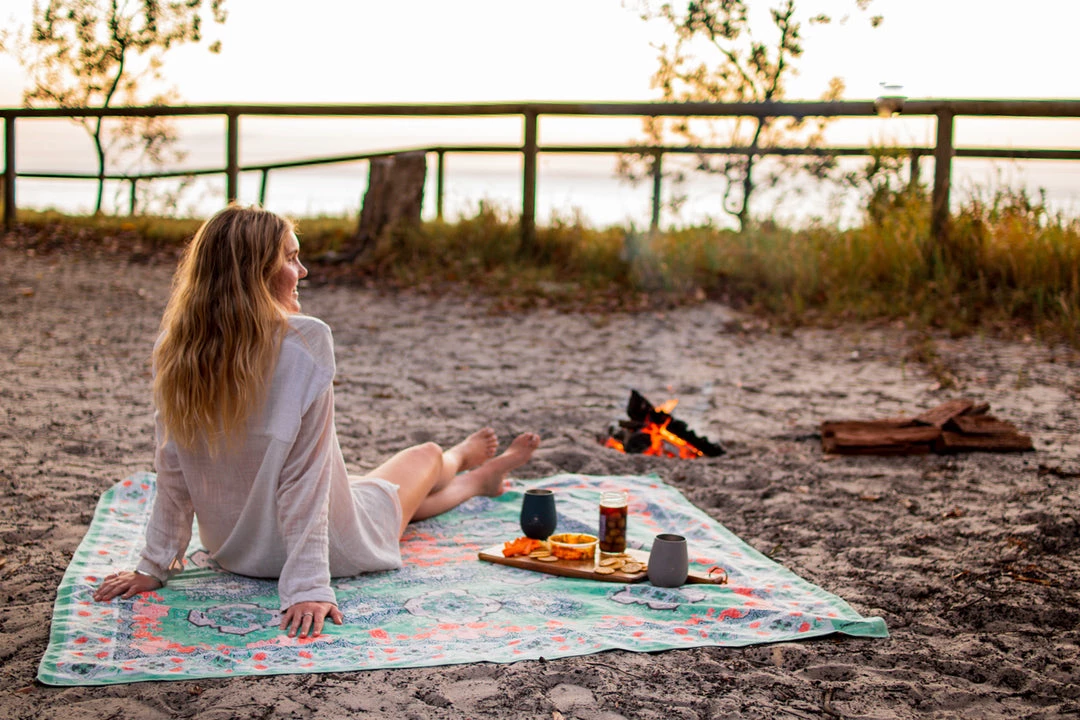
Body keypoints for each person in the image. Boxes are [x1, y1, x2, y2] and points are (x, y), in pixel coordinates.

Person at [93, 204, 541, 640]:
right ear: (255, 272)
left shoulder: (176, 347)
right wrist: (307, 586)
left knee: (383, 497)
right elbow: (305, 476)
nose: (303, 271)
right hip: (324, 548)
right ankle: (465, 462)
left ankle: (476, 474)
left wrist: (153, 566)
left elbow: (172, 469)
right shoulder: (306, 340)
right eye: (290, 258)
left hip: (233, 552)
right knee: (422, 457)